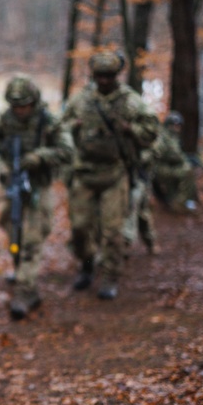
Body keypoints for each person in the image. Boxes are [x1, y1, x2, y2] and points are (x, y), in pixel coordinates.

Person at [61, 51, 159, 300]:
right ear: (93, 75)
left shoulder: (130, 101)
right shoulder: (81, 100)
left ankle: (111, 275)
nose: (104, 80)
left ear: (117, 76)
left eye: (109, 76)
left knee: (113, 231)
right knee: (80, 228)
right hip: (84, 173)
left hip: (115, 174)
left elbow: (151, 132)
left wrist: (130, 129)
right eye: (99, 76)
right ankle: (86, 263)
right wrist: (74, 126)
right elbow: (59, 130)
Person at [0, 75, 75, 319]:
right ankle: (25, 279)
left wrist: (39, 157)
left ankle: (23, 291)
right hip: (14, 187)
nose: (20, 111)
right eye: (16, 106)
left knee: (32, 240)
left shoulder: (48, 121)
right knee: (14, 237)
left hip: (39, 186)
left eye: (25, 106)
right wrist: (3, 168)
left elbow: (67, 151)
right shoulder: (4, 122)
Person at [151, 112, 198, 213]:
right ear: (169, 125)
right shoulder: (164, 136)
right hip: (159, 169)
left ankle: (174, 200)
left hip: (165, 167)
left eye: (178, 125)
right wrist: (182, 159)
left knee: (184, 169)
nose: (177, 128)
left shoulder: (173, 138)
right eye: (175, 125)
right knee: (187, 170)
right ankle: (178, 203)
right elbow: (160, 152)